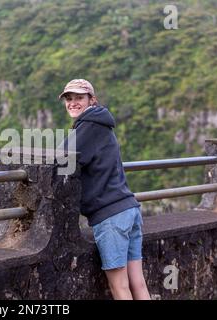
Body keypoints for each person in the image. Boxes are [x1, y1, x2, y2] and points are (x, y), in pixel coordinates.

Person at [58, 79, 150, 300]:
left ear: (92, 100)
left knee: (120, 287)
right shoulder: (101, 124)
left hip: (111, 217)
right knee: (138, 283)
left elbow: (59, 159)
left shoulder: (88, 126)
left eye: (79, 98)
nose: (72, 103)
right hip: (129, 209)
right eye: (69, 99)